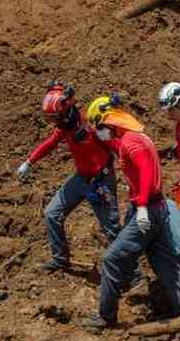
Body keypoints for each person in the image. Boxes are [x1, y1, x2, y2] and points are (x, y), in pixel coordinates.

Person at [81, 95, 180, 329]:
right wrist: (95, 136)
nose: (101, 131)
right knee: (166, 263)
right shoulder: (133, 137)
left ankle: (106, 316)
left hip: (148, 210)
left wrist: (142, 206)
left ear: (110, 123)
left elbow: (145, 173)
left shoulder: (131, 142)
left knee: (112, 259)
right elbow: (120, 150)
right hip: (158, 208)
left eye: (101, 127)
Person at [17, 83, 130, 277]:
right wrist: (29, 161)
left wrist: (130, 173)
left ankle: (134, 275)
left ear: (65, 112)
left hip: (100, 181)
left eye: (55, 118)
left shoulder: (91, 122)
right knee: (52, 213)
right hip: (81, 179)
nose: (54, 123)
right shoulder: (65, 127)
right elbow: (50, 143)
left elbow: (120, 147)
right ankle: (60, 259)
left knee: (111, 229)